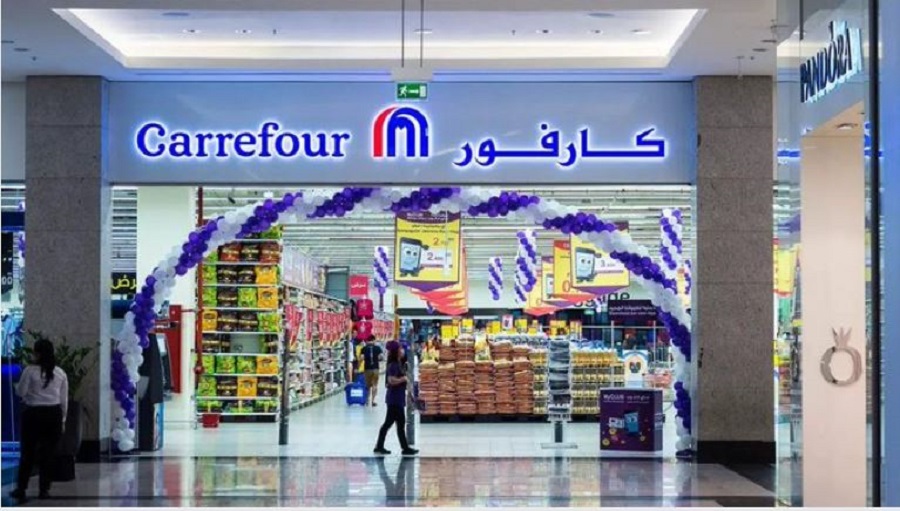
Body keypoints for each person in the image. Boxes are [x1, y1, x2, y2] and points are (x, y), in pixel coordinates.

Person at [11, 339, 69, 501]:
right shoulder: (60, 373)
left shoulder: (29, 371)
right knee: (48, 454)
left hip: (33, 414)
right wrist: (63, 420)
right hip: (54, 415)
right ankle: (44, 490)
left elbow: (21, 392)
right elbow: (64, 400)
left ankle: (21, 488)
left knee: (28, 453)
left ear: (37, 353)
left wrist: (17, 387)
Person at [374, 341, 418, 456]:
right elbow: (391, 380)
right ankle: (400, 447)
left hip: (397, 398)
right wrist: (403, 379)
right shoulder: (393, 365)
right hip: (394, 399)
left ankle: (399, 447)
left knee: (396, 424)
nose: (402, 351)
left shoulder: (398, 363)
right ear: (396, 351)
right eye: (400, 349)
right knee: (391, 424)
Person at [359, 335, 383, 407]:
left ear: (367, 341)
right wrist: (377, 359)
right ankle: (373, 401)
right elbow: (381, 357)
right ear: (373, 340)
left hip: (367, 369)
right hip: (375, 369)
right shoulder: (378, 348)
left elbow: (361, 358)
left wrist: (358, 366)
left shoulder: (364, 348)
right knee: (375, 385)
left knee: (368, 385)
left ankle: (367, 400)